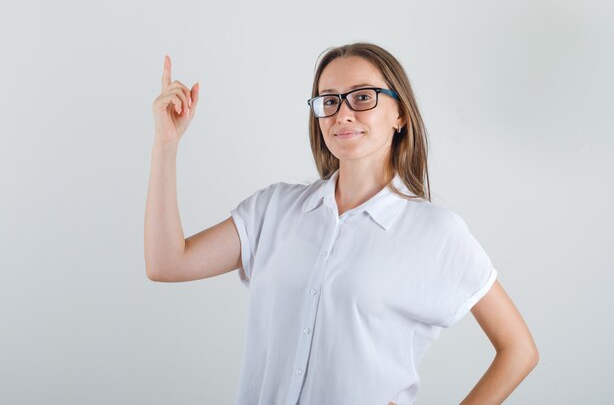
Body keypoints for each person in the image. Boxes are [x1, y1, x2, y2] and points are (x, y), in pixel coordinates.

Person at [144, 43, 539, 405]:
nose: (342, 113)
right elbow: (167, 263)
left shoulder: (436, 232)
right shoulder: (274, 210)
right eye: (328, 101)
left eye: (363, 97)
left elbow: (518, 349)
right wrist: (166, 145)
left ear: (400, 113)